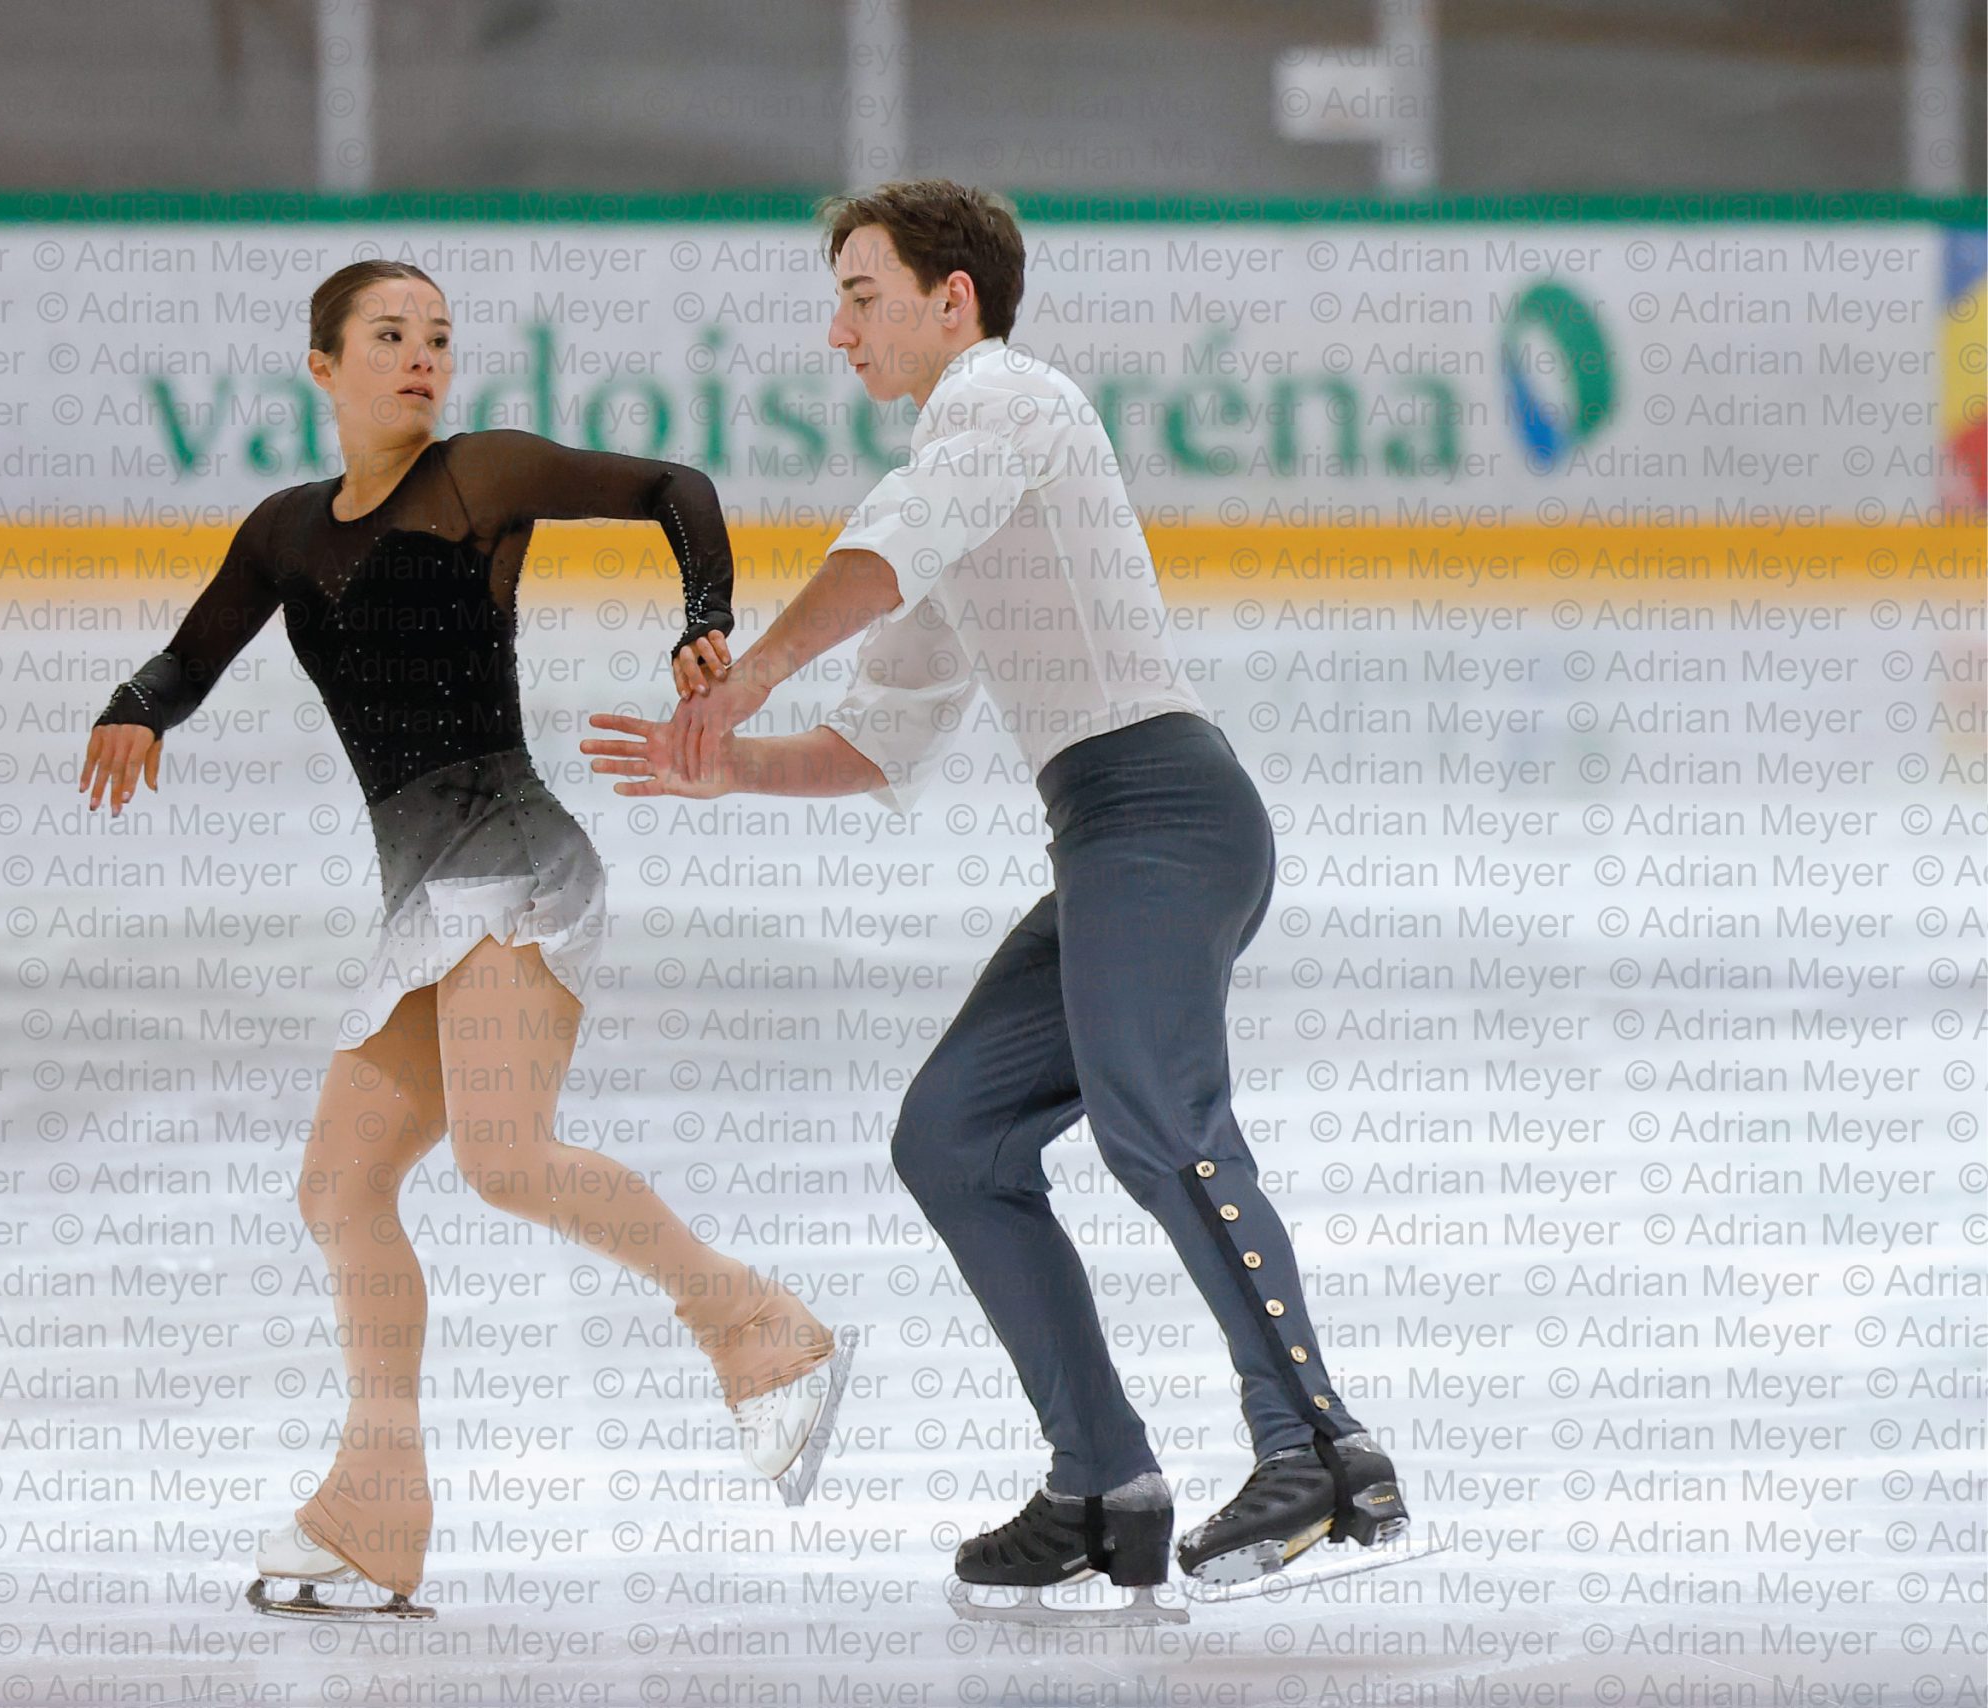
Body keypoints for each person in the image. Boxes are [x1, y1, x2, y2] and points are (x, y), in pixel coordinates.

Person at [585, 181, 1410, 1617]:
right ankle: (1104, 1477)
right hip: (1105, 838)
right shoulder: (958, 465)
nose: (836, 328)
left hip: (1169, 812)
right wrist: (727, 769)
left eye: (860, 291)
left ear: (951, 297)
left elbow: (885, 545)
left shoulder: (1010, 401)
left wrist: (753, 669)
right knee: (954, 1135)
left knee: (1159, 1123)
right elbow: (883, 736)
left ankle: (1319, 1443)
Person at [80, 260, 851, 1620]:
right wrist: (134, 705)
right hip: (423, 892)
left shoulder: (478, 480)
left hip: (511, 862)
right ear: (323, 366)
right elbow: (189, 657)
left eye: (438, 338)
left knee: (504, 1159)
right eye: (389, 338)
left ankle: (754, 1326)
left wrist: (704, 619)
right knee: (339, 1188)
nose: (421, 358)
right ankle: (377, 1499)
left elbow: (675, 488)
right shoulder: (283, 533)